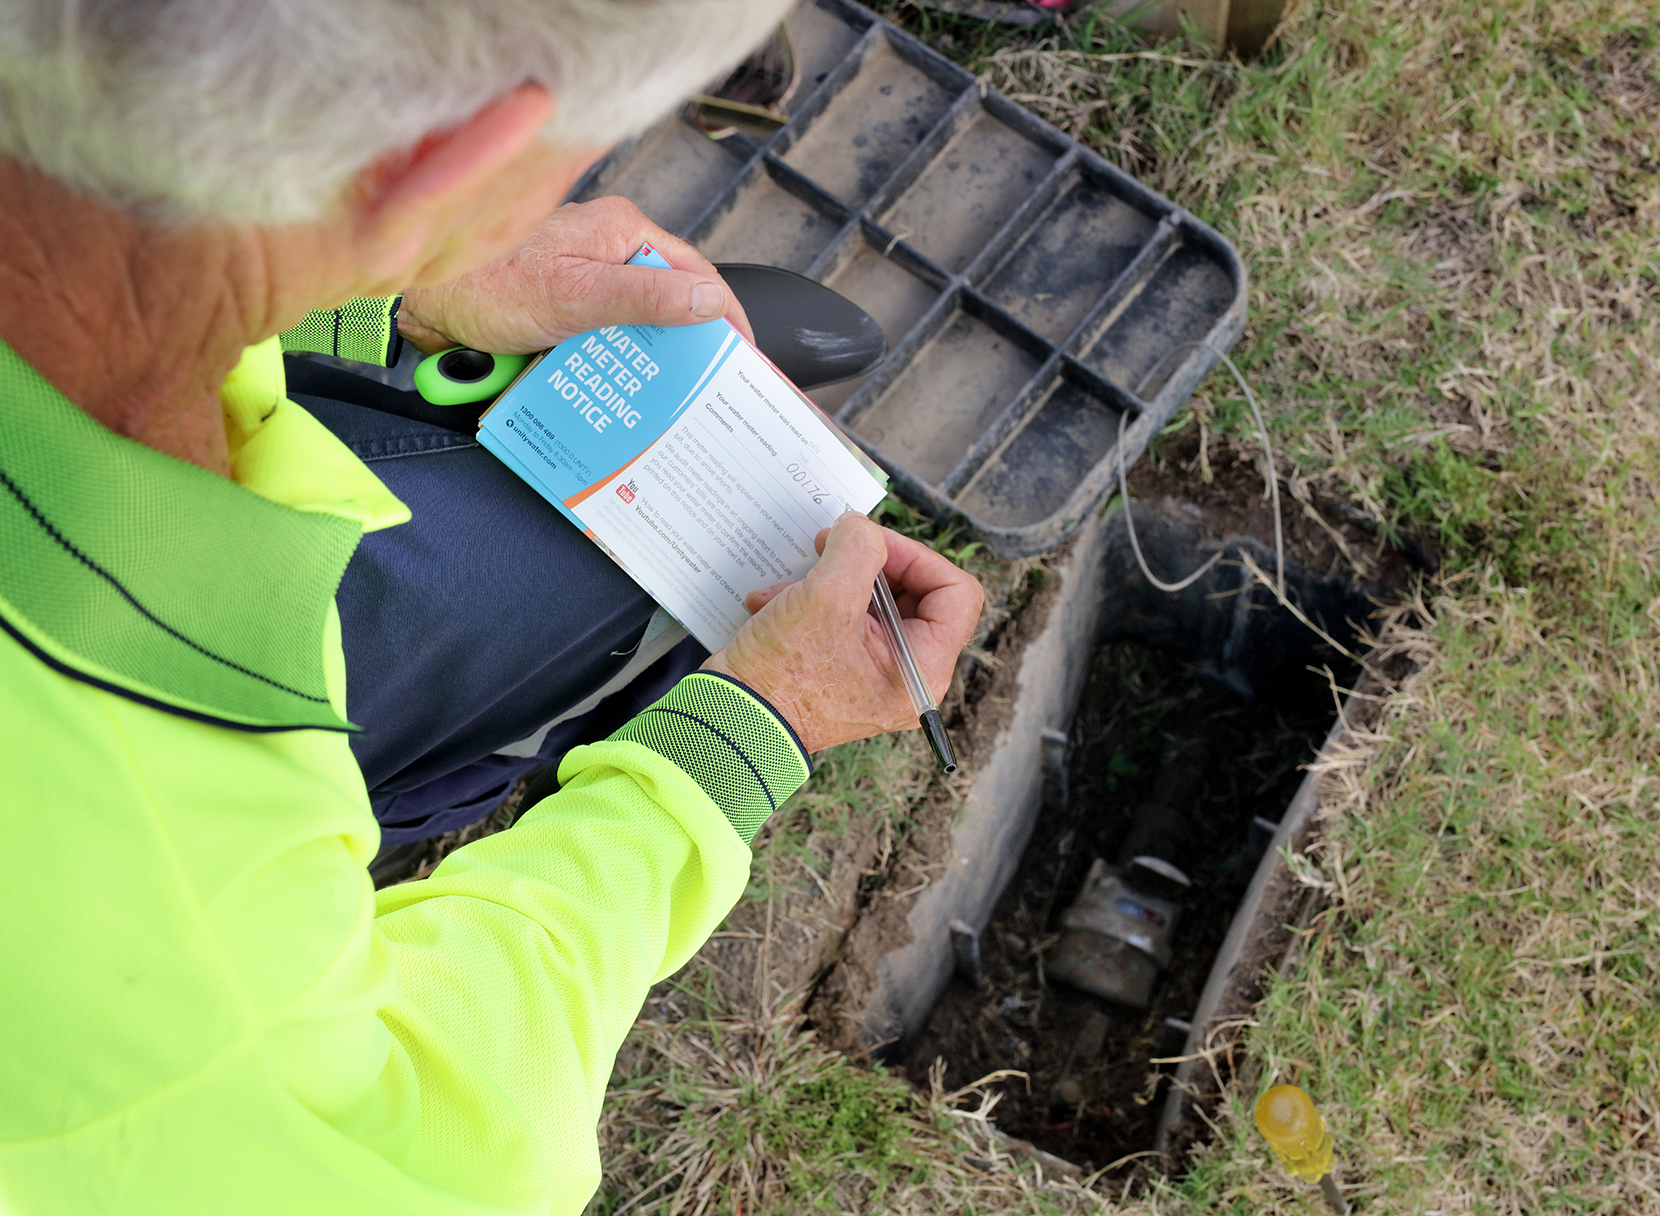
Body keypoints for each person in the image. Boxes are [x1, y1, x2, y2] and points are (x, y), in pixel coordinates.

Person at [0, 3, 984, 1214]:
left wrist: (377, 290)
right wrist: (745, 735)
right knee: (590, 567)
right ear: (435, 161)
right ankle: (417, 796)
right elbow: (454, 1135)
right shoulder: (195, 971)